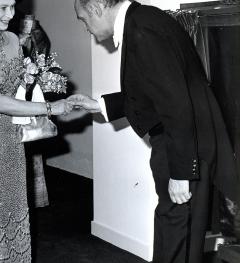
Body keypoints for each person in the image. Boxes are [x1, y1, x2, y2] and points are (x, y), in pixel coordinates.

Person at [69, 0, 239, 263]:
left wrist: (181, 173)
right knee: (181, 236)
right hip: (187, 143)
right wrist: (100, 105)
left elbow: (177, 104)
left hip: (180, 148)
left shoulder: (141, 30)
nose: (85, 28)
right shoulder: (145, 19)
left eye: (82, 19)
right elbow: (154, 90)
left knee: (174, 235)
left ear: (96, 8)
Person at [0, 0, 72, 262]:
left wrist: (37, 79)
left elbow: (19, 89)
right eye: (3, 7)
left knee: (13, 211)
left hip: (11, 138)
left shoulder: (12, 40)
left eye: (13, 6)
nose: (11, 14)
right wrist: (51, 107)